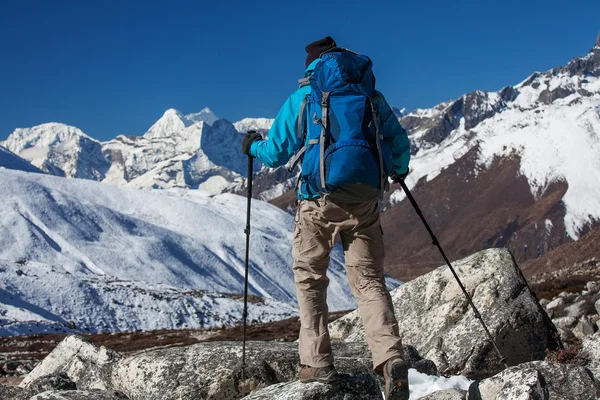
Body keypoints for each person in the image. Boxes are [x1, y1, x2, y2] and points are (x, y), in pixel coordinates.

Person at [241, 36, 411, 400]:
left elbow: (274, 153)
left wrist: (251, 146)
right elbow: (398, 143)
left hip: (318, 200)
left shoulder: (305, 97)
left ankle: (317, 362)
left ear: (312, 65)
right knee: (368, 281)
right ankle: (390, 356)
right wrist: (399, 171)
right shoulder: (371, 97)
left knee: (310, 279)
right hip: (364, 200)